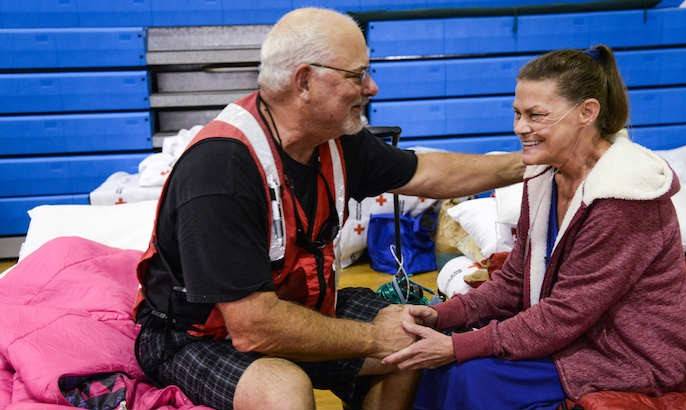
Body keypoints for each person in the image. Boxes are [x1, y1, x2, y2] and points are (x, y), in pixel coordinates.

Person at [132, 7, 524, 410]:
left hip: (297, 307)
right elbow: (253, 328)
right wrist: (373, 338)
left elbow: (428, 171)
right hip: (196, 335)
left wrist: (528, 164)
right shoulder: (221, 170)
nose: (372, 87)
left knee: (412, 337)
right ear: (304, 81)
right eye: (358, 75)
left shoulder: (335, 140)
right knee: (284, 388)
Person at [384, 44, 686, 409]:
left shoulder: (624, 196)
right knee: (437, 368)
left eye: (536, 115)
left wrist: (457, 346)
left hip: (634, 356)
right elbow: (515, 280)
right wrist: (443, 315)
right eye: (517, 113)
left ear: (587, 112)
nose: (520, 128)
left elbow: (566, 313)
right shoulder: (544, 175)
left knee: (471, 374)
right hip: (578, 339)